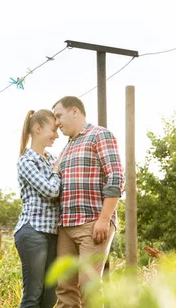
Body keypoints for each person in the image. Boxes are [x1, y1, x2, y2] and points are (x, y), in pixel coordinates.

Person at [52, 96, 124, 308]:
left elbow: (116, 177)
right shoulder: (65, 149)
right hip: (65, 225)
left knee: (88, 284)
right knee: (65, 287)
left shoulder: (99, 135)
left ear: (74, 111)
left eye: (58, 115)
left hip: (92, 222)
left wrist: (104, 219)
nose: (56, 122)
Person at [14, 109, 61, 308]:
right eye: (54, 129)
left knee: (50, 297)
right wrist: (57, 171)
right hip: (32, 231)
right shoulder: (26, 161)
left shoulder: (51, 159)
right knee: (33, 295)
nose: (57, 135)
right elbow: (51, 190)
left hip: (53, 233)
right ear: (38, 128)